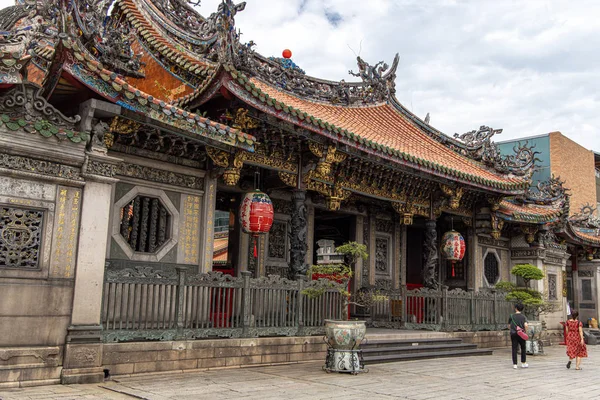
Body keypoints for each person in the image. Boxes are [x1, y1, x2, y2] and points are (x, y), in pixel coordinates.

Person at [508, 303, 529, 369]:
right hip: (521, 333)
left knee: (514, 348)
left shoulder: (511, 316)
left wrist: (512, 329)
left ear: (516, 308)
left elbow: (509, 326)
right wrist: (525, 331)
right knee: (523, 348)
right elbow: (526, 325)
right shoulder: (523, 317)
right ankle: (523, 363)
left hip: (513, 333)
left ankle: (515, 364)